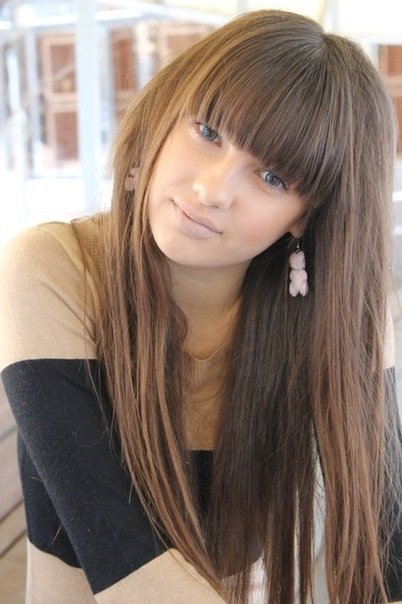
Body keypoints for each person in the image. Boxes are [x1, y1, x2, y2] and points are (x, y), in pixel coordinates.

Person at [0, 9, 401, 604]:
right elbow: (127, 561)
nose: (211, 190)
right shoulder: (55, 268)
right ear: (167, 114)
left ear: (306, 217)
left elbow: (386, 544)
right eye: (209, 132)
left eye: (272, 177)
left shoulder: (341, 314)